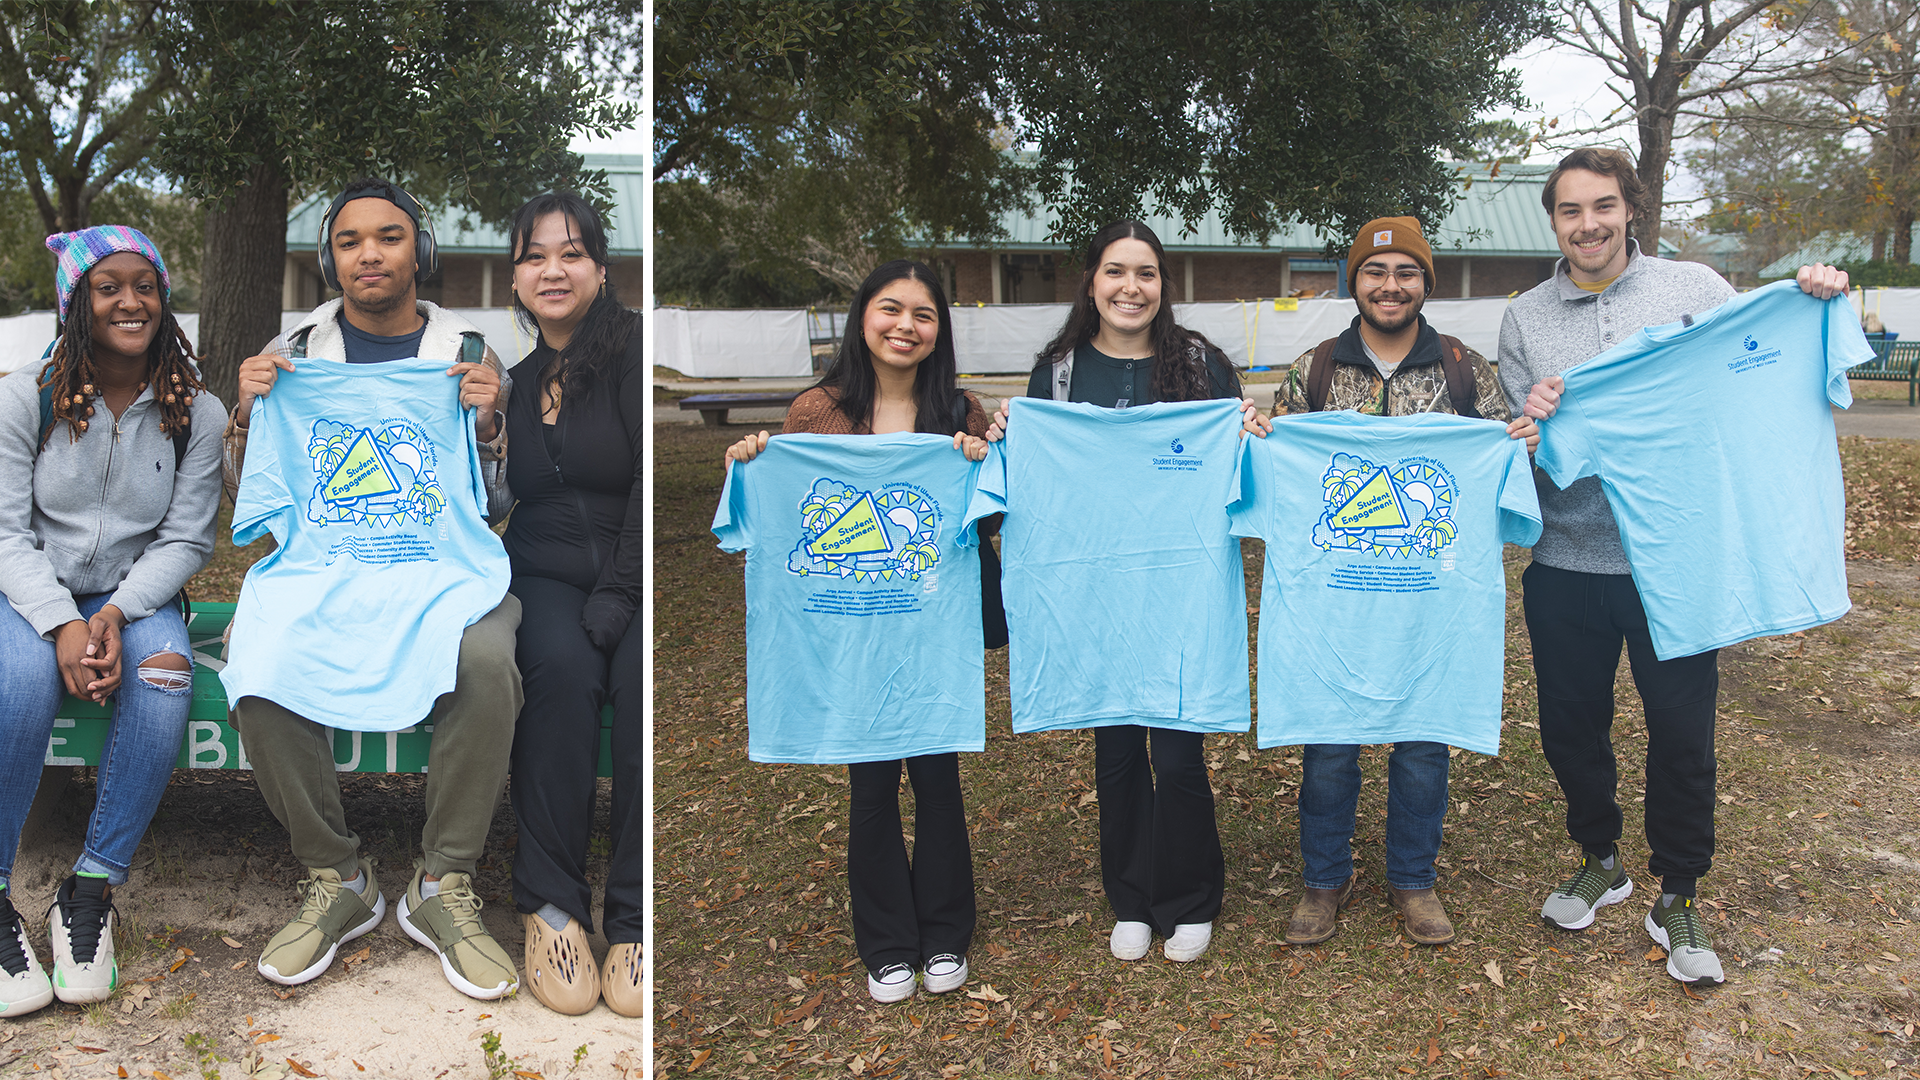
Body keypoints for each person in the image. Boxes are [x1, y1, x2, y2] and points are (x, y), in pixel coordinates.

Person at [1500, 147, 1849, 984]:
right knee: (1568, 728)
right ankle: (1601, 857)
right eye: (1571, 211)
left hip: (1683, 560)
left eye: (1603, 207)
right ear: (1554, 221)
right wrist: (1535, 418)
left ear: (1630, 210)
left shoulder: (1695, 291)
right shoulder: (1524, 317)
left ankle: (1678, 890)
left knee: (1683, 735)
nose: (1588, 224)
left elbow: (1746, 368)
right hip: (1568, 561)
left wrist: (1813, 300)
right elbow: (1523, 451)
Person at [224, 177, 524, 1000]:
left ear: (418, 251)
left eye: (388, 237)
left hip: (442, 571)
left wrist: (492, 427)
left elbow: (499, 505)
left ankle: (442, 885)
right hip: (324, 569)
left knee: (487, 659)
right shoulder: (293, 355)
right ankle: (338, 878)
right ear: (331, 258)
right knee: (258, 658)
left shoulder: (468, 353)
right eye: (351, 240)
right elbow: (251, 505)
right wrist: (249, 417)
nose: (369, 254)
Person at [1251, 216, 1535, 948]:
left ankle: (1413, 878)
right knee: (1330, 741)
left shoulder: (1464, 369)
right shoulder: (1312, 370)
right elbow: (1280, 474)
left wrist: (1519, 444)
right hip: (1336, 601)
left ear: (1425, 283)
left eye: (1406, 272)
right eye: (1376, 272)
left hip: (1429, 601)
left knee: (1423, 740)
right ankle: (1325, 877)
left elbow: (1504, 466)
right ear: (1355, 280)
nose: (1390, 285)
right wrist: (1260, 441)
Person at [986, 220, 1255, 965]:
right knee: (1114, 753)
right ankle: (1131, 901)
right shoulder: (1062, 374)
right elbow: (1034, 472)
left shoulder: (1202, 365)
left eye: (1145, 273)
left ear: (1163, 285)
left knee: (1176, 752)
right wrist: (1012, 429)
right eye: (1115, 272)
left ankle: (1192, 899)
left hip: (1181, 588)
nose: (1130, 288)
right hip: (1093, 590)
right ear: (1092, 282)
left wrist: (1250, 428)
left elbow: (1239, 458)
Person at [725, 260, 989, 1004]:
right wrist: (751, 462)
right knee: (869, 783)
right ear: (861, 318)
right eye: (890, 309)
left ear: (940, 331)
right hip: (846, 634)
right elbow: (786, 510)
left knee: (939, 784)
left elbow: (998, 513)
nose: (906, 326)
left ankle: (945, 937)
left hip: (931, 632)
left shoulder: (961, 411)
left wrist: (983, 459)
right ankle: (886, 946)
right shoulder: (816, 410)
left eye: (924, 315)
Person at [0, 226, 223, 1014]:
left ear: (165, 300)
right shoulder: (24, 395)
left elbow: (188, 537)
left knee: (164, 674)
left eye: (147, 285)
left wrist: (121, 613)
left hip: (135, 594)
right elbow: (4, 531)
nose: (130, 300)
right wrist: (62, 622)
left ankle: (89, 888)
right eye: (108, 286)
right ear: (77, 303)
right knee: (23, 684)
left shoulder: (196, 410)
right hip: (31, 593)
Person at [495, 192, 642, 1017]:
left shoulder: (629, 348)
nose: (553, 269)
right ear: (516, 276)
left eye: (572, 252)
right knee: (554, 673)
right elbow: (494, 495)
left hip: (630, 568)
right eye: (534, 255)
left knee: (639, 689)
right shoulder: (511, 382)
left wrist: (620, 596)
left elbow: (645, 482)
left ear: (600, 268)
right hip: (542, 570)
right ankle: (551, 907)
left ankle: (633, 917)